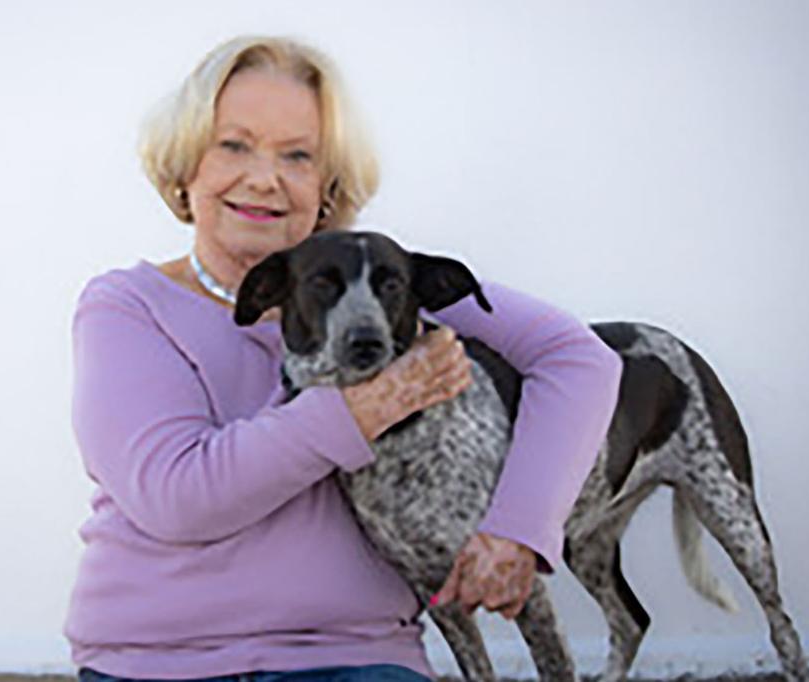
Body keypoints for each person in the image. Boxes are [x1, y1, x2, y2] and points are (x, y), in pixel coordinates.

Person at [64, 35, 623, 682]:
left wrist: (520, 529)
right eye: (233, 145)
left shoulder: (387, 283)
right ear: (185, 164)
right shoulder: (127, 306)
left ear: (327, 185)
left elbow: (579, 359)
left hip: (353, 656)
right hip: (158, 661)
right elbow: (178, 498)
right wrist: (367, 407)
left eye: (297, 155)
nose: (264, 177)